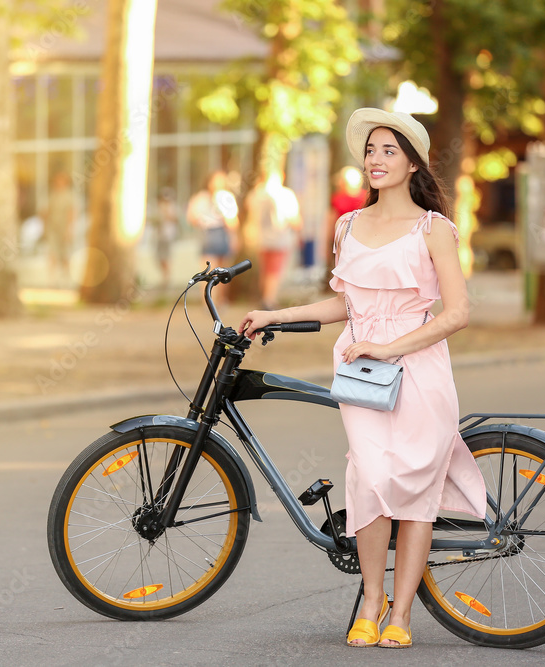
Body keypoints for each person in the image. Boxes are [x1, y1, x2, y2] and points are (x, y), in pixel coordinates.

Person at [239, 109, 485, 649]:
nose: (375, 159)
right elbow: (347, 304)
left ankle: (401, 614)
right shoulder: (349, 225)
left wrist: (391, 346)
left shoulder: (433, 229)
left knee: (415, 486)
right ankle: (371, 603)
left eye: (388, 151)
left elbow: (457, 313)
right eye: (371, 150)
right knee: (371, 479)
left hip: (419, 368)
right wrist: (274, 315)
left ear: (413, 162)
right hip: (362, 371)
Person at [245, 170, 302, 309]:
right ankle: (269, 300)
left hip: (261, 239)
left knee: (265, 270)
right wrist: (299, 231)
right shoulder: (285, 194)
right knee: (275, 271)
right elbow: (294, 218)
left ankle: (265, 297)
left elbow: (249, 212)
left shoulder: (256, 194)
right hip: (280, 239)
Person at [186, 170, 238, 270]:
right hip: (215, 234)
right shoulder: (221, 197)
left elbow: (192, 218)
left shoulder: (201, 198)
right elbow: (231, 222)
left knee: (212, 273)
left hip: (213, 234)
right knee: (220, 274)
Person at [43, 170, 77, 284]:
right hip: (53, 228)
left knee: (65, 253)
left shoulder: (69, 195)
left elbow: (72, 212)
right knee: (53, 252)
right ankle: (52, 278)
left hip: (64, 228)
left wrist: (69, 229)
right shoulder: (53, 195)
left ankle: (67, 277)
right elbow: (48, 211)